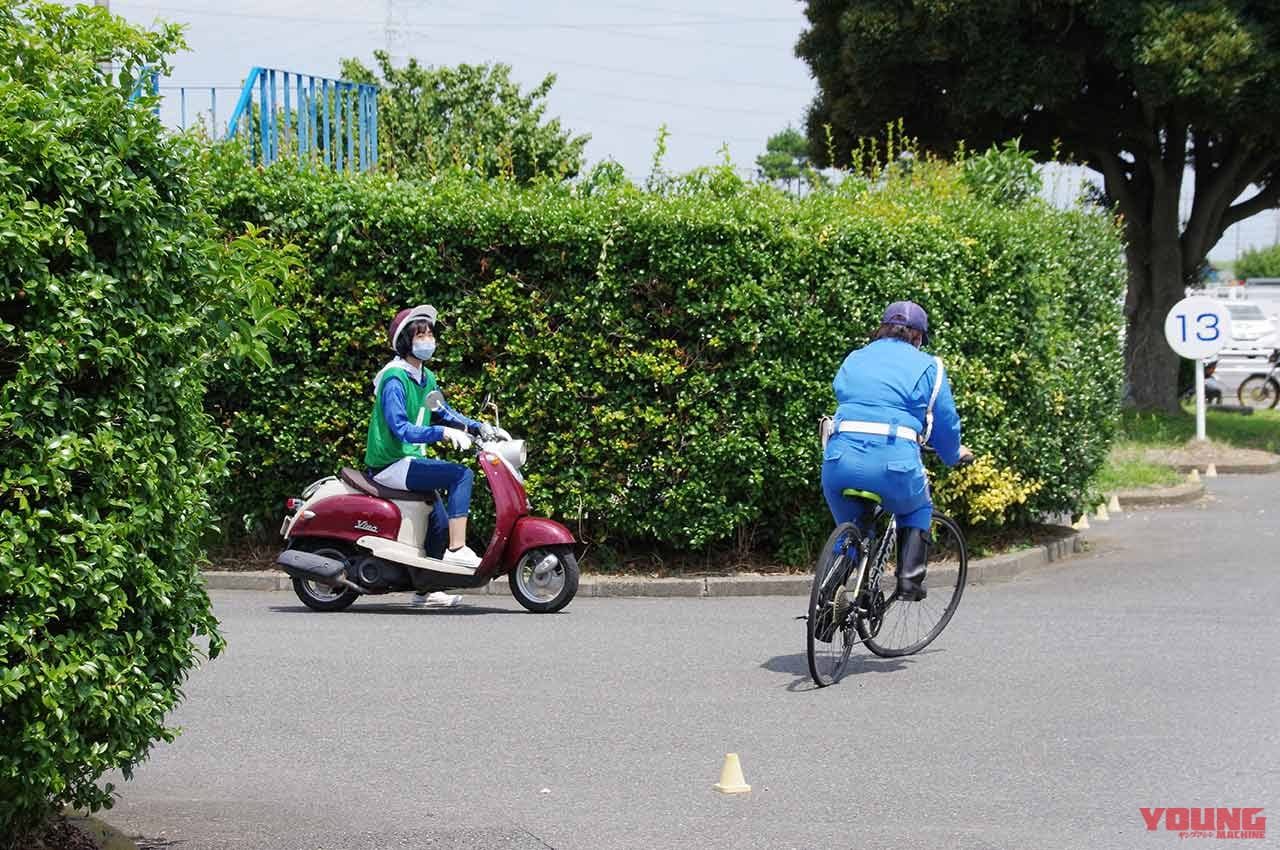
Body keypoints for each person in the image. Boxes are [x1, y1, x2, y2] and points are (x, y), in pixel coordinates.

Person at [821, 301, 972, 601]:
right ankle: (909, 582)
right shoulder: (930, 367)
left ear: (882, 329)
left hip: (839, 461)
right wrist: (953, 454)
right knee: (917, 508)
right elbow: (946, 423)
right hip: (893, 464)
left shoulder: (855, 357)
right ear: (918, 338)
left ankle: (827, 601)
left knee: (854, 528)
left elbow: (846, 394)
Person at [365, 305, 508, 607]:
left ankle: (425, 591)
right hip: (390, 463)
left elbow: (442, 412)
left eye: (429, 333)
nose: (428, 339)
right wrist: (440, 434)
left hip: (409, 461)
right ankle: (457, 549)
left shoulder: (424, 376)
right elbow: (401, 428)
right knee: (460, 474)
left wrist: (480, 428)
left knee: (439, 521)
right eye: (421, 334)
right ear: (406, 341)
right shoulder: (394, 379)